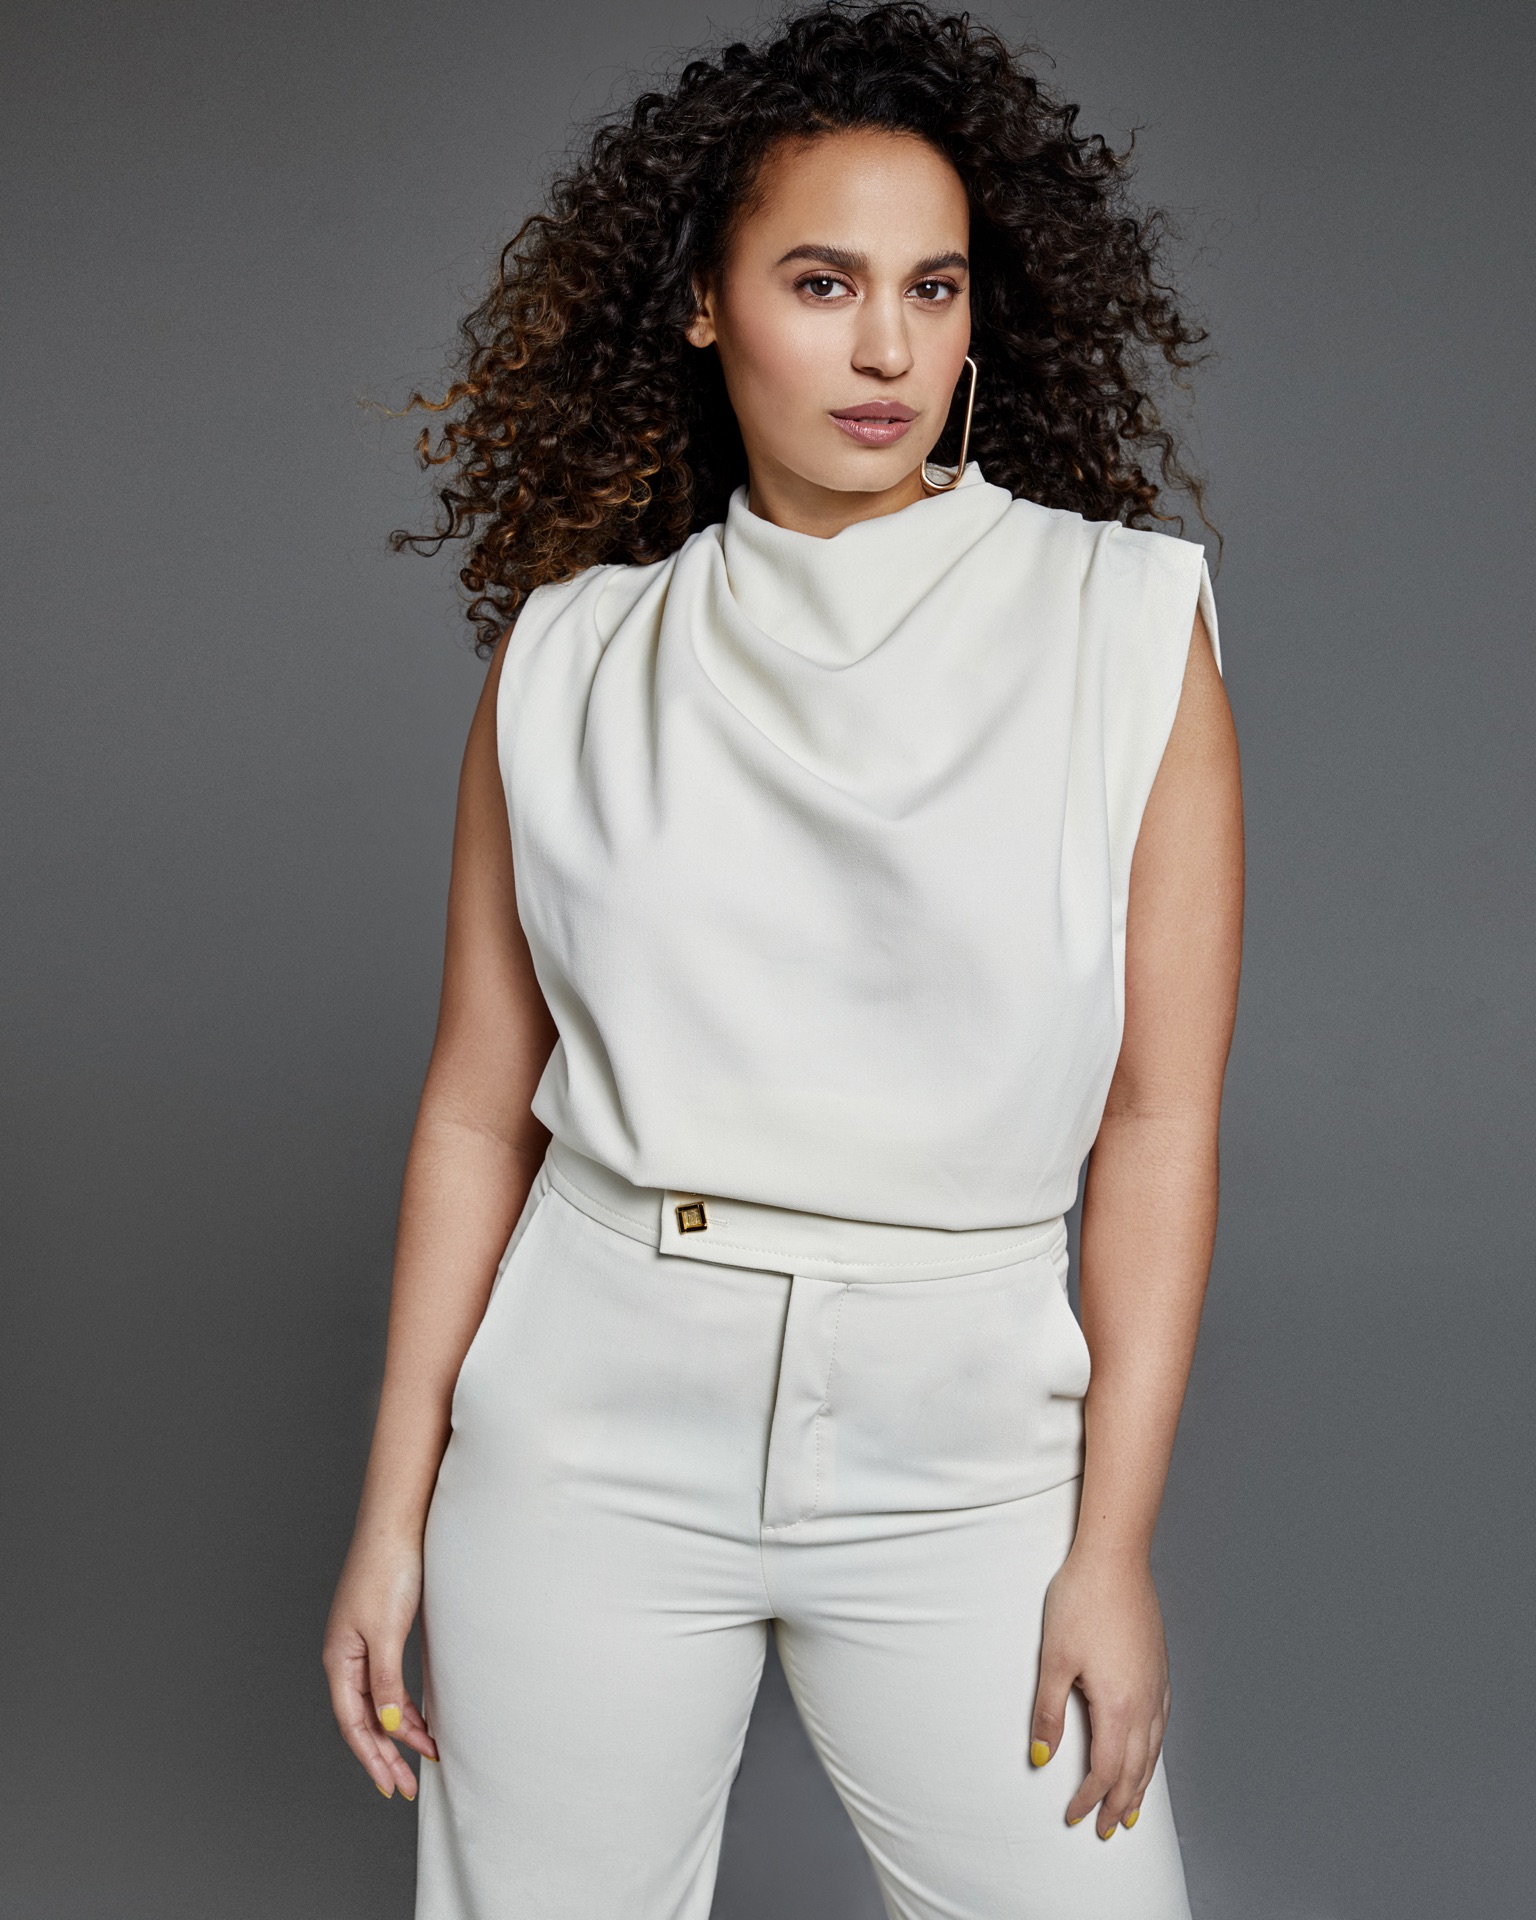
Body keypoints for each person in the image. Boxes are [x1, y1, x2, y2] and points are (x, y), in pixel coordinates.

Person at [322, 6, 1244, 1916]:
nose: (888, 348)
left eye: (933, 288)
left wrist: (1115, 1545)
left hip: (967, 1444)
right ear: (700, 306)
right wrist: (392, 1514)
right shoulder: (569, 659)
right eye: (823, 284)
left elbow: (1157, 1122)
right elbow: (478, 1113)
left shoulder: (1124, 622)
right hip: (587, 1424)